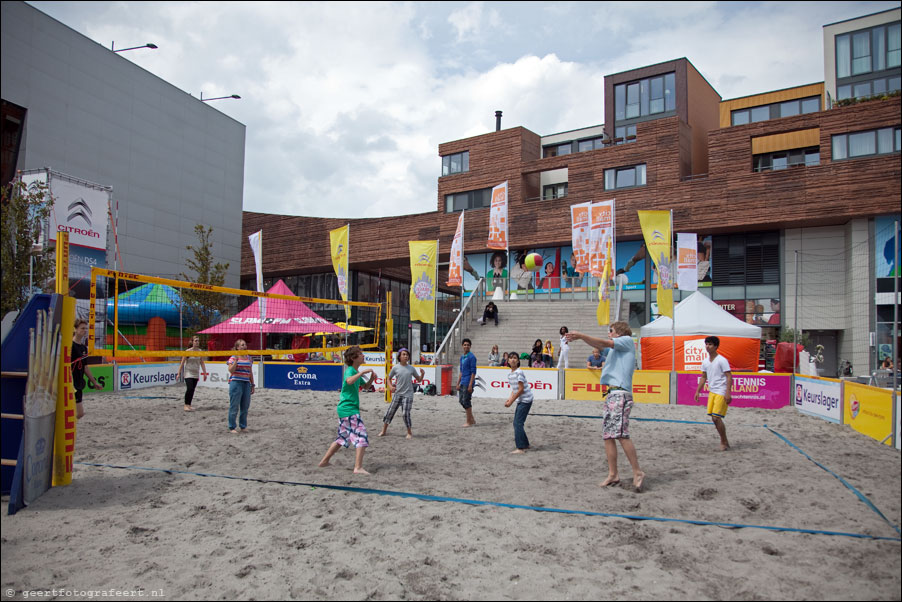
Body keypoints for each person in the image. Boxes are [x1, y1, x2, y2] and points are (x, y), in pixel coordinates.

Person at [566, 322, 646, 491]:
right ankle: (613, 474)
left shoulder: (626, 341)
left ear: (619, 332)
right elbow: (599, 345)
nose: (609, 334)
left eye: (611, 331)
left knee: (622, 435)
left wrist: (581, 335)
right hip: (612, 394)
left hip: (621, 394)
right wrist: (581, 339)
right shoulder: (616, 350)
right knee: (608, 436)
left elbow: (605, 343)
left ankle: (637, 472)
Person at [319, 346, 376, 473]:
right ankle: (358, 467)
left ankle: (324, 461)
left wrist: (371, 378)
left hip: (345, 409)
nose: (363, 355)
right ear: (353, 358)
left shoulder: (355, 371)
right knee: (362, 436)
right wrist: (361, 373)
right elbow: (349, 381)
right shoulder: (350, 370)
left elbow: (365, 386)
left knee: (342, 438)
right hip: (349, 409)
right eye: (360, 354)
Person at [694, 336, 732, 451]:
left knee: (716, 417)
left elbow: (729, 376)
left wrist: (728, 392)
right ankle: (724, 441)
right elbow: (703, 377)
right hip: (712, 391)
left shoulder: (722, 360)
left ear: (716, 346)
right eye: (706, 344)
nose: (707, 346)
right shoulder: (705, 361)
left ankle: (724, 442)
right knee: (713, 418)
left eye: (710, 344)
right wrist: (698, 391)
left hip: (721, 391)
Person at [379, 348, 425, 439]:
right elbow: (388, 378)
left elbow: (419, 379)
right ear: (399, 356)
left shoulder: (411, 368)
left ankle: (409, 432)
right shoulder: (395, 368)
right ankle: (383, 431)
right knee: (390, 412)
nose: (405, 356)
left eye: (407, 355)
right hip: (397, 394)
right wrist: (390, 387)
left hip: (408, 394)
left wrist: (422, 374)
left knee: (405, 413)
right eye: (403, 354)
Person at [504, 352, 534, 453]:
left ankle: (520, 448)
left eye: (515, 358)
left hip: (526, 400)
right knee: (517, 423)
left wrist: (511, 401)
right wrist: (509, 399)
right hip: (521, 400)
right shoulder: (510, 374)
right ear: (507, 361)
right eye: (511, 358)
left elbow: (521, 389)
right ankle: (525, 444)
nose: (513, 359)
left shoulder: (519, 372)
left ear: (518, 361)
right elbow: (514, 389)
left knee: (517, 423)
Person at [71, 319, 99, 420]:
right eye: (82, 328)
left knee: (79, 413)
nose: (85, 330)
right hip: (71, 383)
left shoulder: (83, 348)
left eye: (86, 328)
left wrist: (94, 382)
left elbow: (85, 367)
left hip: (78, 383)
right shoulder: (70, 346)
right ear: (75, 329)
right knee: (79, 413)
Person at [226, 339, 255, 433]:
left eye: (245, 344)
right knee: (234, 406)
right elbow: (231, 370)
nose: (244, 346)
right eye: (242, 345)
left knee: (245, 406)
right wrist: (236, 361)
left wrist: (252, 384)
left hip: (246, 383)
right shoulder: (233, 357)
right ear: (238, 347)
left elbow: (250, 372)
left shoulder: (249, 358)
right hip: (236, 382)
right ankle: (232, 427)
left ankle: (243, 426)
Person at [176, 335, 207, 412]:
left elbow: (202, 363)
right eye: (196, 341)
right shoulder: (188, 351)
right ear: (192, 342)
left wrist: (205, 373)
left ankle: (189, 405)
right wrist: (178, 373)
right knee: (189, 388)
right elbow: (182, 363)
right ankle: (186, 405)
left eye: (198, 341)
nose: (197, 342)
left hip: (196, 373)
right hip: (188, 373)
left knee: (192, 389)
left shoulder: (200, 351)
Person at [457, 338, 477, 427]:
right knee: (461, 400)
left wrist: (470, 385)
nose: (466, 346)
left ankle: (469, 421)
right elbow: (461, 371)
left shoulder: (472, 357)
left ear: (470, 346)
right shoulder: (462, 357)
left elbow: (473, 372)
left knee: (466, 401)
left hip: (468, 381)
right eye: (465, 345)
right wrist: (458, 383)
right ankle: (471, 419)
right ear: (462, 346)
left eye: (468, 345)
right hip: (463, 381)